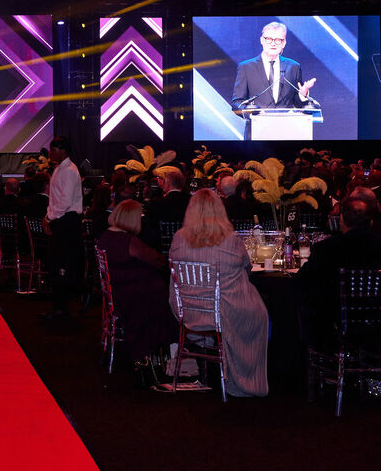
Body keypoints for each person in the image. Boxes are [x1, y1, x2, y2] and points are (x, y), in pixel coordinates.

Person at [168, 189, 269, 397]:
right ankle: (248, 372)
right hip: (225, 313)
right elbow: (247, 268)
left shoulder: (178, 239)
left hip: (189, 311)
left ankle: (217, 361)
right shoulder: (231, 240)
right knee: (261, 313)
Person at [95, 200, 175, 384]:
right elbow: (157, 260)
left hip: (116, 294)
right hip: (132, 298)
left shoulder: (106, 236)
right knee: (167, 304)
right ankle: (164, 356)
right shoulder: (128, 242)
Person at [296, 197, 381, 352]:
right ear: (371, 222)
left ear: (341, 220)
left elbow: (302, 283)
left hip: (334, 330)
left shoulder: (326, 249)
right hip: (376, 326)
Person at [230, 21, 316, 140]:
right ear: (262, 40)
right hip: (257, 132)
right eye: (269, 39)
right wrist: (250, 112)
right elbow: (237, 103)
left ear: (284, 43)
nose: (273, 43)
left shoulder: (293, 67)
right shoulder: (246, 67)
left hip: (287, 132)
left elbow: (298, 104)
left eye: (278, 40)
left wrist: (302, 95)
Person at [45, 136, 83, 318]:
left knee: (62, 263)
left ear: (64, 151)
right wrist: (48, 216)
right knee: (56, 262)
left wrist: (50, 217)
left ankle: (61, 307)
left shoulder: (69, 171)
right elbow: (54, 198)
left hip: (67, 220)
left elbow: (65, 202)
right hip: (60, 219)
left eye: (53, 150)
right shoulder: (60, 169)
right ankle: (58, 306)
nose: (50, 153)